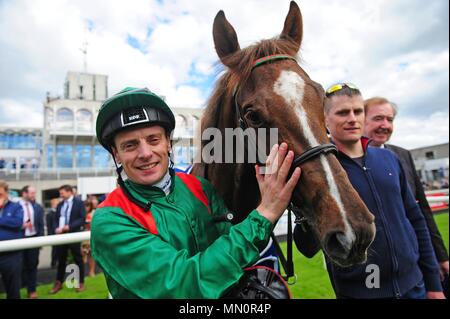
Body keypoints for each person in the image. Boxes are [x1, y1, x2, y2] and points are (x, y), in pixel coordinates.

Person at [90, 87, 301, 298]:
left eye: (153, 140)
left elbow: (237, 260)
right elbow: (183, 284)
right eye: (130, 145)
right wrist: (264, 214)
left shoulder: (200, 187)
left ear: (168, 144)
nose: (145, 153)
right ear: (116, 154)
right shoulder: (109, 219)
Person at [295, 82, 444, 299]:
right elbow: (306, 248)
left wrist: (433, 284)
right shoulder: (319, 172)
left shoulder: (389, 159)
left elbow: (416, 219)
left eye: (358, 111)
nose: (353, 118)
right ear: (324, 119)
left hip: (415, 285)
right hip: (361, 292)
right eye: (343, 112)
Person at [363, 96, 449, 284]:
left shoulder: (402, 155)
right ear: (361, 119)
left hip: (419, 257)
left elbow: (423, 211)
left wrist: (441, 256)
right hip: (376, 272)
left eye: (390, 119)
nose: (385, 125)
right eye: (378, 118)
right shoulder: (342, 162)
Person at [49, 185, 86, 294]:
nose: (60, 195)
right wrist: (56, 228)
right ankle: (59, 283)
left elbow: (82, 218)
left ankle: (81, 282)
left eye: (62, 193)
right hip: (61, 236)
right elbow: (55, 219)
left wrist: (69, 227)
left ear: (69, 192)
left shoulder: (79, 203)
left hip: (73, 234)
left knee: (78, 259)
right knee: (61, 260)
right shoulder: (60, 204)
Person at [19, 185, 44, 299]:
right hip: (20, 239)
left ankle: (32, 290)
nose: (34, 195)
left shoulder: (38, 207)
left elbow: (40, 225)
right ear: (24, 193)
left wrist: (40, 240)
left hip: (34, 238)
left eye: (34, 193)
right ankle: (21, 287)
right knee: (20, 266)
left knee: (33, 265)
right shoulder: (16, 206)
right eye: (32, 193)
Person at [0, 180, 24, 299]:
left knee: (13, 289)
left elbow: (17, 223)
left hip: (11, 255)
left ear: (6, 193)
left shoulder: (16, 206)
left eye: (0, 194)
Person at [82, 197, 96, 277]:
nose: (86, 207)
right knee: (83, 254)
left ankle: (92, 271)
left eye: (88, 205)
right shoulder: (81, 213)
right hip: (82, 237)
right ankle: (83, 272)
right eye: (85, 205)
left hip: (90, 236)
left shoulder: (94, 213)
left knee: (91, 254)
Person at [46, 198, 60, 268]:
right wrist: (50, 235)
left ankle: (58, 261)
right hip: (53, 234)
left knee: (59, 249)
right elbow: (49, 226)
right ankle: (53, 262)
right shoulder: (49, 214)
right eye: (56, 204)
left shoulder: (59, 212)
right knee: (54, 250)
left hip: (59, 234)